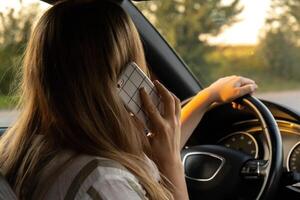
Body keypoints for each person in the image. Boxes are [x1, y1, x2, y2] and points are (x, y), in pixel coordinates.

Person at [0, 0, 258, 200]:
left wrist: (207, 97)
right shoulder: (103, 182)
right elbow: (154, 158)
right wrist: (172, 167)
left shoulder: (32, 148)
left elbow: (152, 149)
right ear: (123, 73)